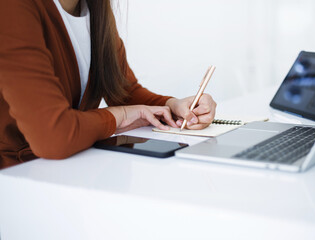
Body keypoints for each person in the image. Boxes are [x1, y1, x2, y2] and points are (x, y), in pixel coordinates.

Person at [0, 0, 216, 169]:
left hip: (66, 173)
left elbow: (123, 91)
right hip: (16, 182)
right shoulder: (12, 8)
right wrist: (119, 115)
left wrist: (174, 106)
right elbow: (52, 137)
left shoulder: (94, 9)